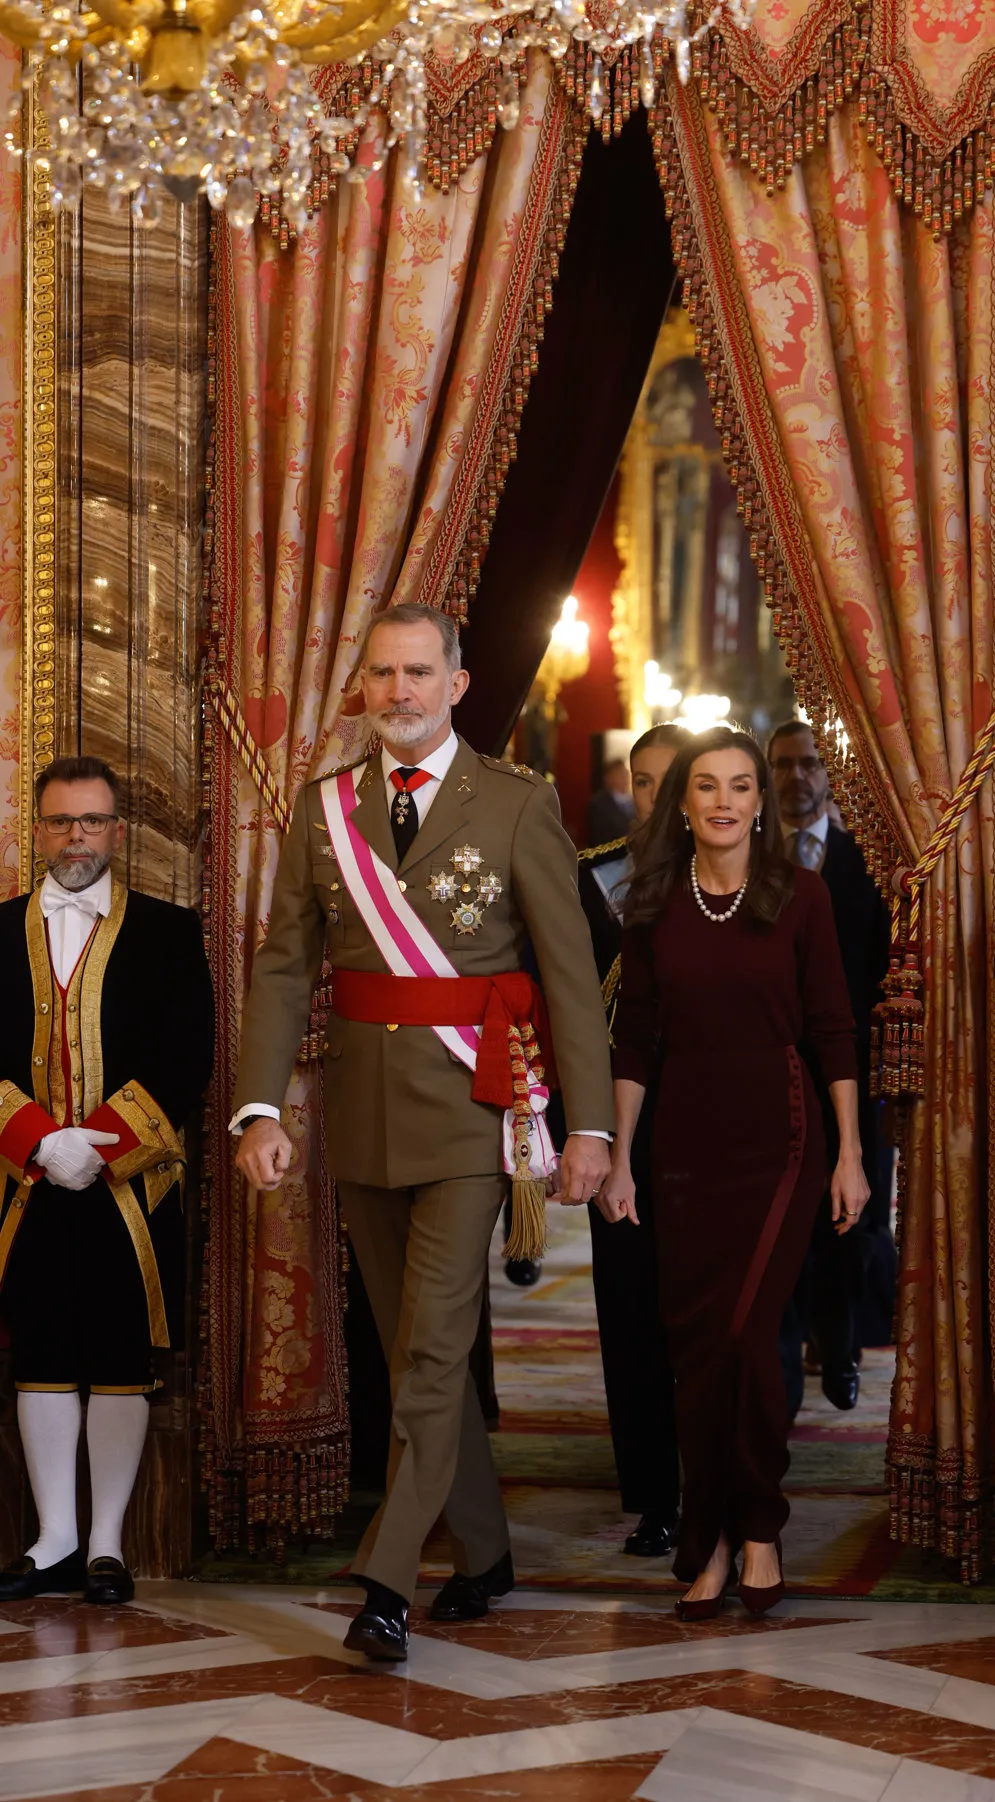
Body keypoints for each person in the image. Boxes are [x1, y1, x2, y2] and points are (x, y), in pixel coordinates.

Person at [231, 602, 614, 1664]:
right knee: (412, 1357)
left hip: (473, 1112)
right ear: (361, 688)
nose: (397, 691)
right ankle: (485, 1550)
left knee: (438, 1342)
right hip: (359, 1113)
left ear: (458, 683)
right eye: (379, 674)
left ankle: (388, 1578)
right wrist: (259, 1105)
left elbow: (571, 980)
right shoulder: (322, 812)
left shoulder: (518, 806)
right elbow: (280, 965)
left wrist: (588, 1128)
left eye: (417, 671)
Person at [600, 726, 868, 1619]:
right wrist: (618, 1159)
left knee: (754, 1342)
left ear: (760, 803)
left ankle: (753, 1529)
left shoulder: (802, 898)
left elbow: (833, 1027)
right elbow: (633, 1037)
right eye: (705, 785)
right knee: (699, 1354)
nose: (723, 801)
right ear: (680, 803)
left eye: (740, 786)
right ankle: (714, 1533)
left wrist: (852, 1156)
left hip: (784, 1140)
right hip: (681, 1146)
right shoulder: (654, 902)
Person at [0, 756, 214, 1606]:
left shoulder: (169, 930)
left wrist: (100, 1146)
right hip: (24, 1186)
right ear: (39, 830)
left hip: (132, 1190)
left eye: (91, 822)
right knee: (42, 1353)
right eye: (61, 822)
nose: (76, 837)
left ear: (116, 830)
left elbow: (186, 1057)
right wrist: (39, 1142)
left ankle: (106, 1546)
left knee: (122, 1360)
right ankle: (52, 1540)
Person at [577, 723, 688, 1557]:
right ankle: (652, 1493)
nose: (657, 797)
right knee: (631, 1310)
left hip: (713, 1113)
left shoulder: (738, 876)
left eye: (673, 780)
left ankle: (721, 1477)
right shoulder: (591, 875)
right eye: (643, 782)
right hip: (618, 1126)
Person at [768, 720, 892, 1412]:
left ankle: (839, 1352)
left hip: (851, 1074)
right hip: (770, 1071)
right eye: (783, 764)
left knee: (847, 1221)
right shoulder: (747, 862)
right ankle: (784, 1353)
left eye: (809, 764)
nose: (797, 777)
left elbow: (879, 971)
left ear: (830, 773)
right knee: (780, 1218)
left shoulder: (863, 864)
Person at [586, 757, 636, 845]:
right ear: (608, 778)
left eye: (626, 773)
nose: (625, 777)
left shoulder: (635, 800)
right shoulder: (599, 804)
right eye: (620, 774)